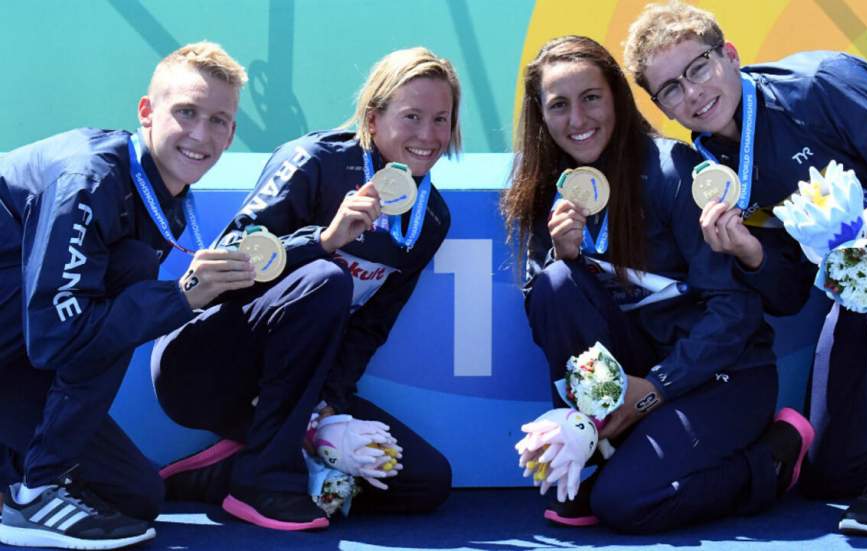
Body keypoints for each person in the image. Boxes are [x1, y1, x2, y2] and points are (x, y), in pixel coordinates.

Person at [624, 0, 867, 536]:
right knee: (834, 471)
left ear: (729, 55)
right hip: (856, 291)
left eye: (697, 68)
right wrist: (752, 255)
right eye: (671, 88)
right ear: (660, 106)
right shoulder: (712, 173)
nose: (692, 93)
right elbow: (792, 294)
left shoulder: (819, 84)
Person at [500, 35, 813, 534]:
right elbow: (554, 315)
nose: (577, 120)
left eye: (591, 98)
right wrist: (567, 258)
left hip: (720, 377)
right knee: (556, 284)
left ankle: (771, 459)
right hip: (636, 377)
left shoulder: (674, 172)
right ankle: (593, 445)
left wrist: (655, 389)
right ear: (541, 115)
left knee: (625, 503)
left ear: (618, 100)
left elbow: (735, 311)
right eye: (559, 105)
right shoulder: (548, 190)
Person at [150, 47, 456, 531]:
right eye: (411, 116)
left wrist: (329, 409)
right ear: (373, 120)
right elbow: (226, 264)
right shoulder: (316, 161)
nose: (427, 135)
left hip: (300, 392)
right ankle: (263, 481)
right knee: (326, 280)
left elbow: (370, 329)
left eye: (441, 119)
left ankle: (225, 472)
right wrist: (323, 241)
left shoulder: (431, 217)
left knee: (425, 480)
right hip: (203, 370)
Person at [0, 42, 248, 549]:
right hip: (28, 336)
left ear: (232, 132)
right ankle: (35, 493)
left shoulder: (164, 191)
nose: (201, 134)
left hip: (15, 352)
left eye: (218, 120)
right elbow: (57, 339)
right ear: (147, 113)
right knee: (131, 271)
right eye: (186, 112)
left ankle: (16, 482)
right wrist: (179, 298)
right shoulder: (89, 180)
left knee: (134, 496)